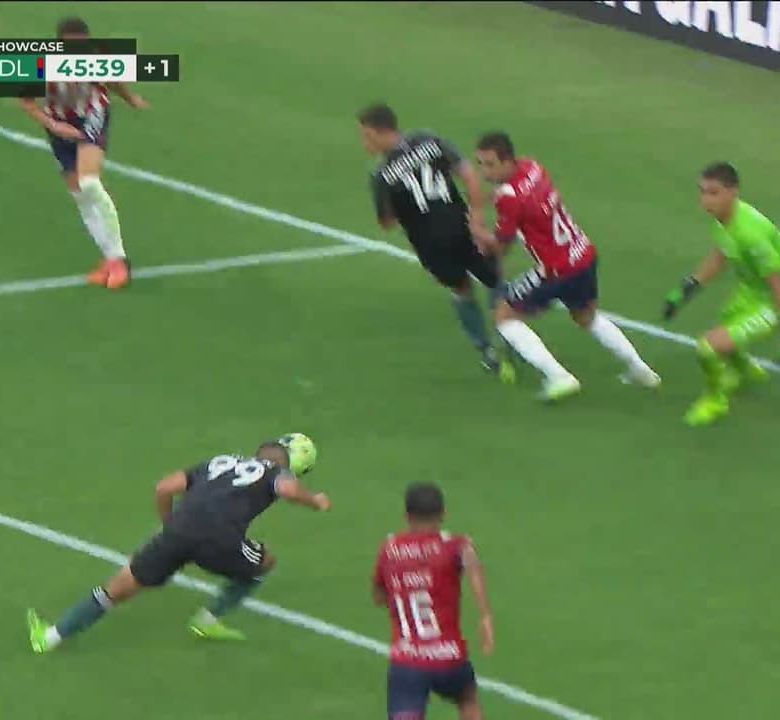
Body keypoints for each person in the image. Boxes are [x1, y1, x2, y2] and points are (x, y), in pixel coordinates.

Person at [26, 434, 328, 652]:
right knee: (265, 562)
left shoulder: (220, 462)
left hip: (177, 533)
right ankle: (208, 620)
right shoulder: (275, 474)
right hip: (220, 541)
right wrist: (315, 500)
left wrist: (169, 526)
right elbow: (288, 490)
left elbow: (164, 488)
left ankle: (50, 638)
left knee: (116, 590)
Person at [471, 131, 660, 401]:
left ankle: (559, 377)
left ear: (507, 161)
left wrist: (476, 230)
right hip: (582, 253)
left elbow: (501, 247)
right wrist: (490, 197)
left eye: (490, 164)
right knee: (586, 317)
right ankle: (641, 370)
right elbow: (518, 195)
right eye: (480, 164)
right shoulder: (532, 167)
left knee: (504, 315)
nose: (484, 171)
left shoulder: (509, 198)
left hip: (555, 270)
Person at [359, 104, 514, 380]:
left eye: (366, 136)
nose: (364, 143)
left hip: (430, 245)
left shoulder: (381, 176)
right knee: (495, 278)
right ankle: (510, 336)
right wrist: (477, 216)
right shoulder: (429, 140)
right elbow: (469, 175)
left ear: (377, 132)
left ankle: (486, 349)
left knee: (461, 289)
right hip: (461, 226)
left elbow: (386, 222)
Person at [661, 162, 780, 426]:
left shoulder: (752, 236)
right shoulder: (723, 221)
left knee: (708, 347)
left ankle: (715, 401)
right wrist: (686, 289)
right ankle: (745, 370)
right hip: (752, 292)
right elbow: (721, 256)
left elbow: (779, 285)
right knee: (725, 325)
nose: (706, 200)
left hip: (777, 301)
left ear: (733, 193)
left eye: (713, 193)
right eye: (702, 192)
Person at [18, 17, 150, 290]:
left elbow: (113, 82)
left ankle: (120, 261)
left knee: (89, 183)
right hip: (58, 125)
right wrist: (55, 126)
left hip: (92, 115)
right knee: (80, 195)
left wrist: (130, 99)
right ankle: (110, 260)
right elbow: (26, 101)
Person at [374, 483, 494, 720]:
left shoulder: (389, 549)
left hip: (408, 662)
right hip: (450, 657)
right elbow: (471, 560)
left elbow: (379, 597)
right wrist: (485, 615)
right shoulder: (453, 545)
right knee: (468, 700)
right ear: (443, 514)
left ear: (407, 516)